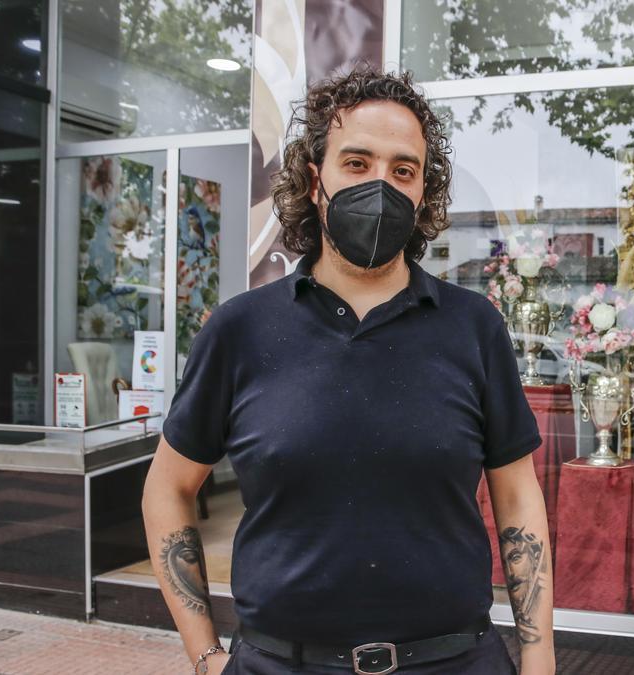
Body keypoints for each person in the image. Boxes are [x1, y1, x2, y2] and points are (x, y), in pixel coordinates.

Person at [142, 66, 555, 675]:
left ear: (422, 194)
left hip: (455, 661)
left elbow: (517, 495)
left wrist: (539, 655)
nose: (381, 186)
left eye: (403, 170)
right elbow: (168, 488)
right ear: (316, 180)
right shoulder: (239, 330)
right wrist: (204, 654)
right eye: (357, 163)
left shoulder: (474, 328)